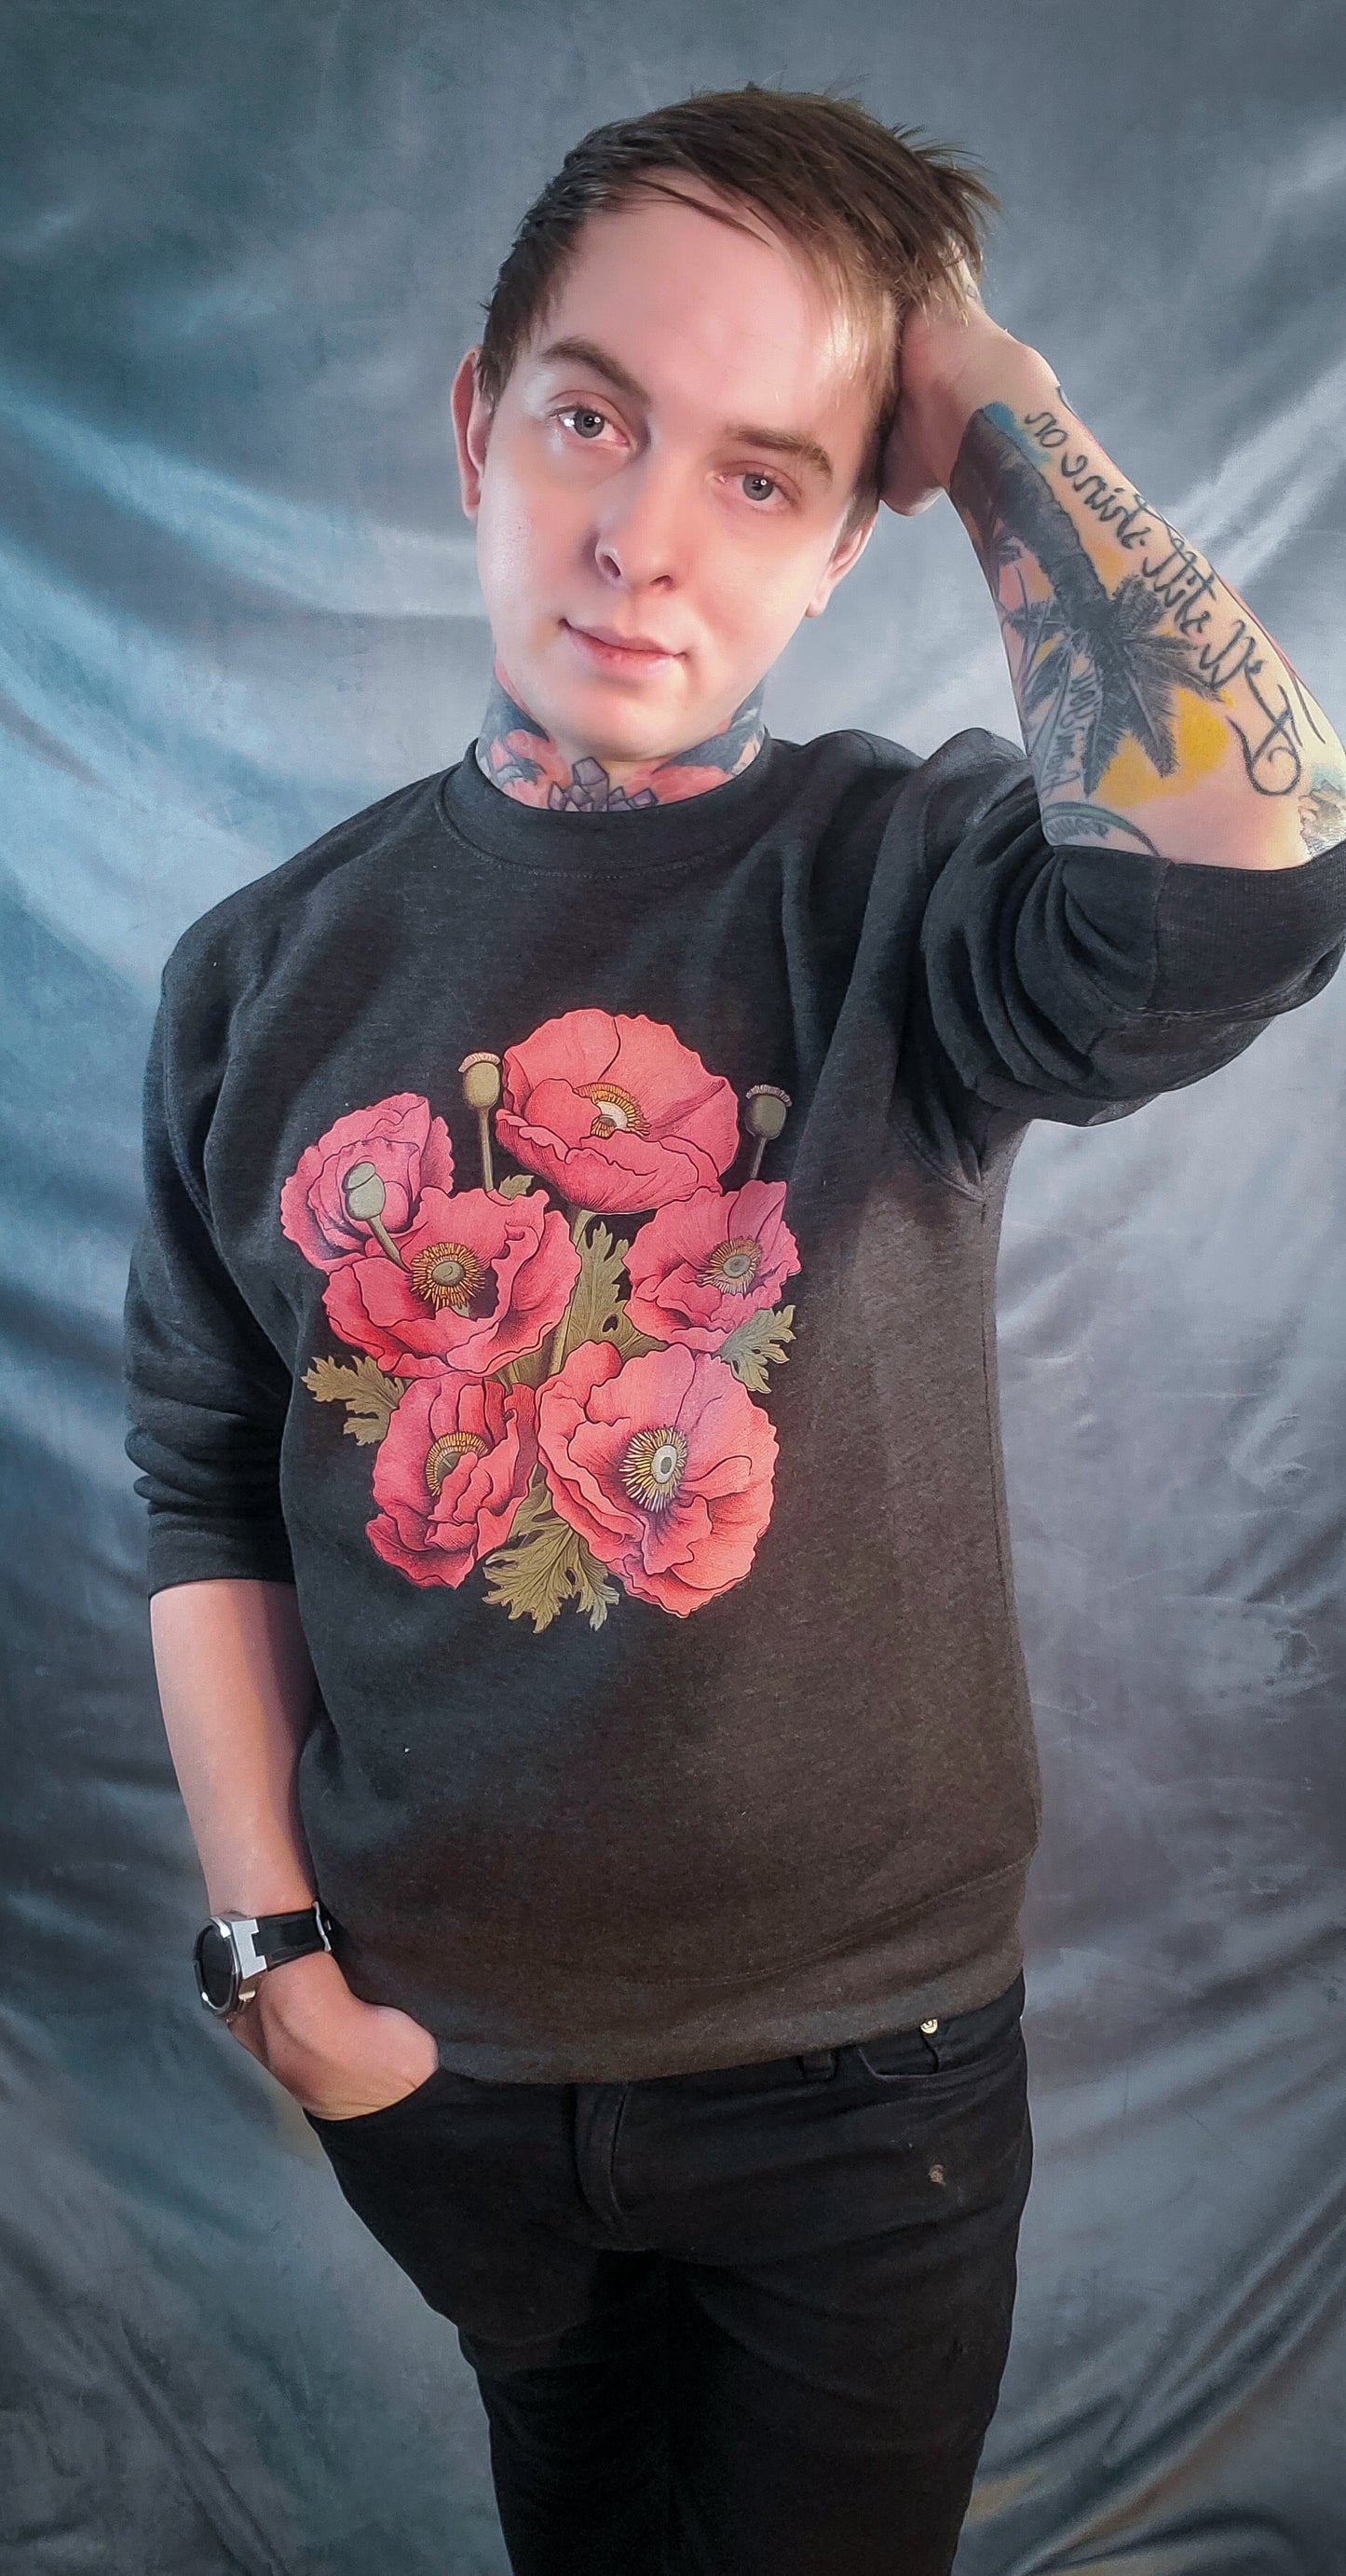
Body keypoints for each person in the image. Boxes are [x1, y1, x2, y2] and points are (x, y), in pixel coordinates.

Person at [122, 82, 1346, 2576]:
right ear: (480, 426)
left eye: (766, 473)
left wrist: (975, 386)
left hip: (858, 2091)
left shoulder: (909, 891)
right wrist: (278, 1965)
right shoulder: (254, 976)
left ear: (853, 535)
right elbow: (202, 1477)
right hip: (442, 2065)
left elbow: (1254, 867)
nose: (641, 536)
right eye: (592, 415)